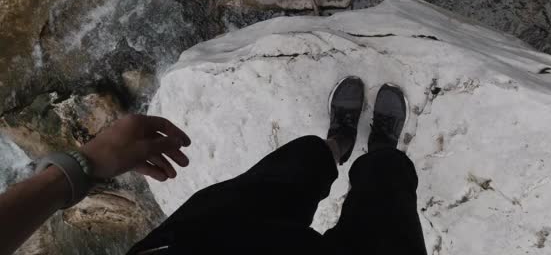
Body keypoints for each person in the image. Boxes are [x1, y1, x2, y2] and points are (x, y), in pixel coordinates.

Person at [0, 77, 427, 255]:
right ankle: (381, 154)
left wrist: (80, 166)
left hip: (197, 246)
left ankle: (338, 145)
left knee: (289, 175)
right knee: (386, 206)